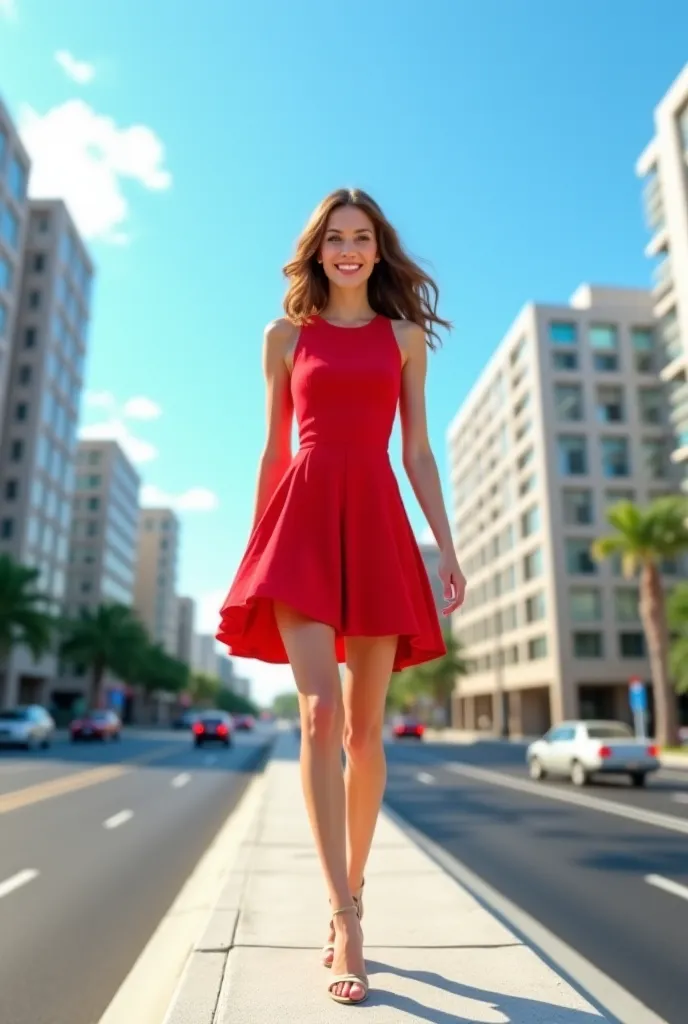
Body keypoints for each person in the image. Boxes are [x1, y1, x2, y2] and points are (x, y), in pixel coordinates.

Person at [216, 188, 466, 1006]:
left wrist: (447, 548)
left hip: (378, 521)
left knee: (366, 730)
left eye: (362, 238)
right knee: (319, 714)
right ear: (317, 251)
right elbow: (271, 448)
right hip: (304, 523)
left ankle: (353, 887)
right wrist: (259, 542)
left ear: (377, 249)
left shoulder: (404, 340)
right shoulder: (284, 337)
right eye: (336, 240)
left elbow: (420, 453)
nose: (349, 251)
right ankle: (344, 917)